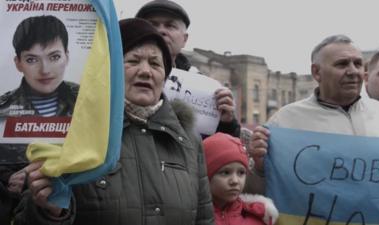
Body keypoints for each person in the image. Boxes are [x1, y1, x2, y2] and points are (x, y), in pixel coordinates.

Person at [13, 18, 214, 225]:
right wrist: (48, 212)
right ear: (110, 69)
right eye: (133, 61)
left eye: (155, 63)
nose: (146, 71)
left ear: (165, 75)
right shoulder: (74, 130)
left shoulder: (188, 139)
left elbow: (204, 219)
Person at [245, 35, 379, 194]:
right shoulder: (284, 122)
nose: (353, 71)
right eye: (342, 64)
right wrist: (259, 169)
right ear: (317, 72)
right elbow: (255, 196)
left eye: (358, 64)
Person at [0, 15, 78, 225]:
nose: (45, 70)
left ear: (67, 56)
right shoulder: (2, 110)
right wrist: (10, 180)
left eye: (54, 57)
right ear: (18, 63)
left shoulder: (89, 102)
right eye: (32, 59)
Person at [136, 0, 241, 138]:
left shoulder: (205, 88)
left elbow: (215, 148)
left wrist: (226, 123)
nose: (161, 30)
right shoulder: (116, 74)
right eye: (152, 24)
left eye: (170, 25)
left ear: (184, 39)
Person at [203, 132, 278, 225]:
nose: (235, 181)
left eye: (241, 172)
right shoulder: (192, 217)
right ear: (206, 175)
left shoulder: (260, 216)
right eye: (225, 172)